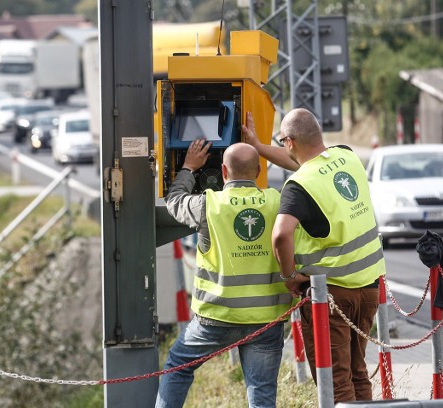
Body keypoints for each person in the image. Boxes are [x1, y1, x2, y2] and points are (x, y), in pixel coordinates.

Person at [241, 108, 386, 403]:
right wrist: (258, 146)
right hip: (369, 285)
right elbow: (301, 162)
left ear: (290, 141)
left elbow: (281, 234)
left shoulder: (298, 187)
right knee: (358, 372)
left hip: (332, 296)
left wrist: (289, 275)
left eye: (283, 142)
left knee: (335, 379)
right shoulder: (346, 156)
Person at [156, 140, 294, 408]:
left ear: (223, 171)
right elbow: (306, 167)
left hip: (215, 317)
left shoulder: (209, 204)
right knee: (262, 390)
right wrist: (259, 144)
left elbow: (174, 201)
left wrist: (188, 167)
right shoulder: (277, 200)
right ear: (258, 171)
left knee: (177, 367)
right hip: (266, 319)